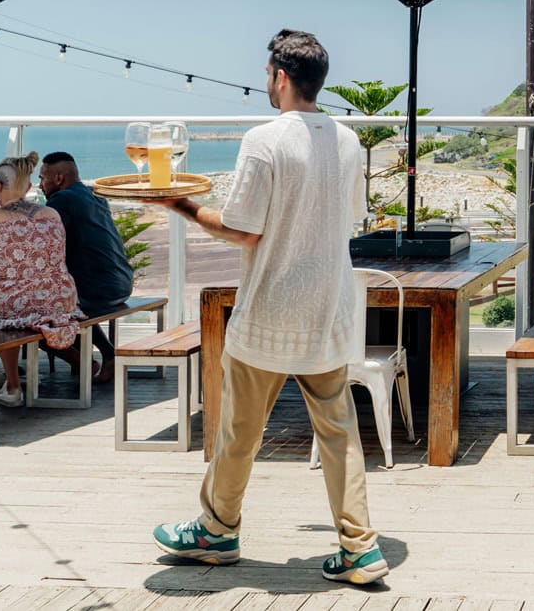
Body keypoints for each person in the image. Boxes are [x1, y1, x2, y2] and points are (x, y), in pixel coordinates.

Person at [151, 29, 387, 585]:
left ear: (281, 76)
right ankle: (361, 547)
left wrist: (180, 203)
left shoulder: (264, 139)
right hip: (328, 307)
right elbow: (350, 214)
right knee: (339, 431)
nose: (266, 81)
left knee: (239, 432)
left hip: (271, 310)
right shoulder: (348, 141)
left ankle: (217, 530)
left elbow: (242, 231)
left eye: (267, 73)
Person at [0, 152, 82, 406]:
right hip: (60, 300)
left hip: (18, 304)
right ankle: (0, 377)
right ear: (28, 187)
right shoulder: (51, 214)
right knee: (4, 304)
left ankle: (13, 386)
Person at [39, 151, 134, 384]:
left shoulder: (61, 200)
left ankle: (84, 363)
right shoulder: (95, 194)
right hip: (122, 282)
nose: (39, 184)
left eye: (42, 178)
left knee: (35, 322)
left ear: (58, 179)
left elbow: (43, 243)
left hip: (97, 288)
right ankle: (100, 357)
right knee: (64, 306)